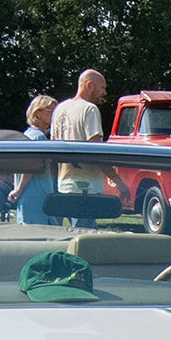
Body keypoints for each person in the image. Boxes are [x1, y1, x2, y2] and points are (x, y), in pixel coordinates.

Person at [52, 69, 108, 226]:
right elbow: (97, 152)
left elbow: (53, 147)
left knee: (71, 236)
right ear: (89, 85)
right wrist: (118, 181)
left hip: (64, 184)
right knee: (85, 240)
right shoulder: (89, 110)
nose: (104, 92)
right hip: (86, 187)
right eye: (102, 87)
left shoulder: (59, 109)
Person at [8, 94, 57, 225]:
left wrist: (17, 188)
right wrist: (18, 190)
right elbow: (30, 167)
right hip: (37, 194)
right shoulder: (38, 138)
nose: (54, 115)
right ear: (38, 113)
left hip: (27, 196)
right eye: (51, 111)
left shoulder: (26, 134)